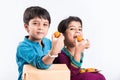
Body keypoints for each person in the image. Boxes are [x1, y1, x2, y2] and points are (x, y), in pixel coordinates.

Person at [16, 6, 64, 80]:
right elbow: (40, 64)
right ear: (26, 27)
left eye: (45, 24)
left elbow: (60, 58)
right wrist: (53, 51)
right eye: (35, 23)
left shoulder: (48, 42)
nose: (40, 27)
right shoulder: (23, 47)